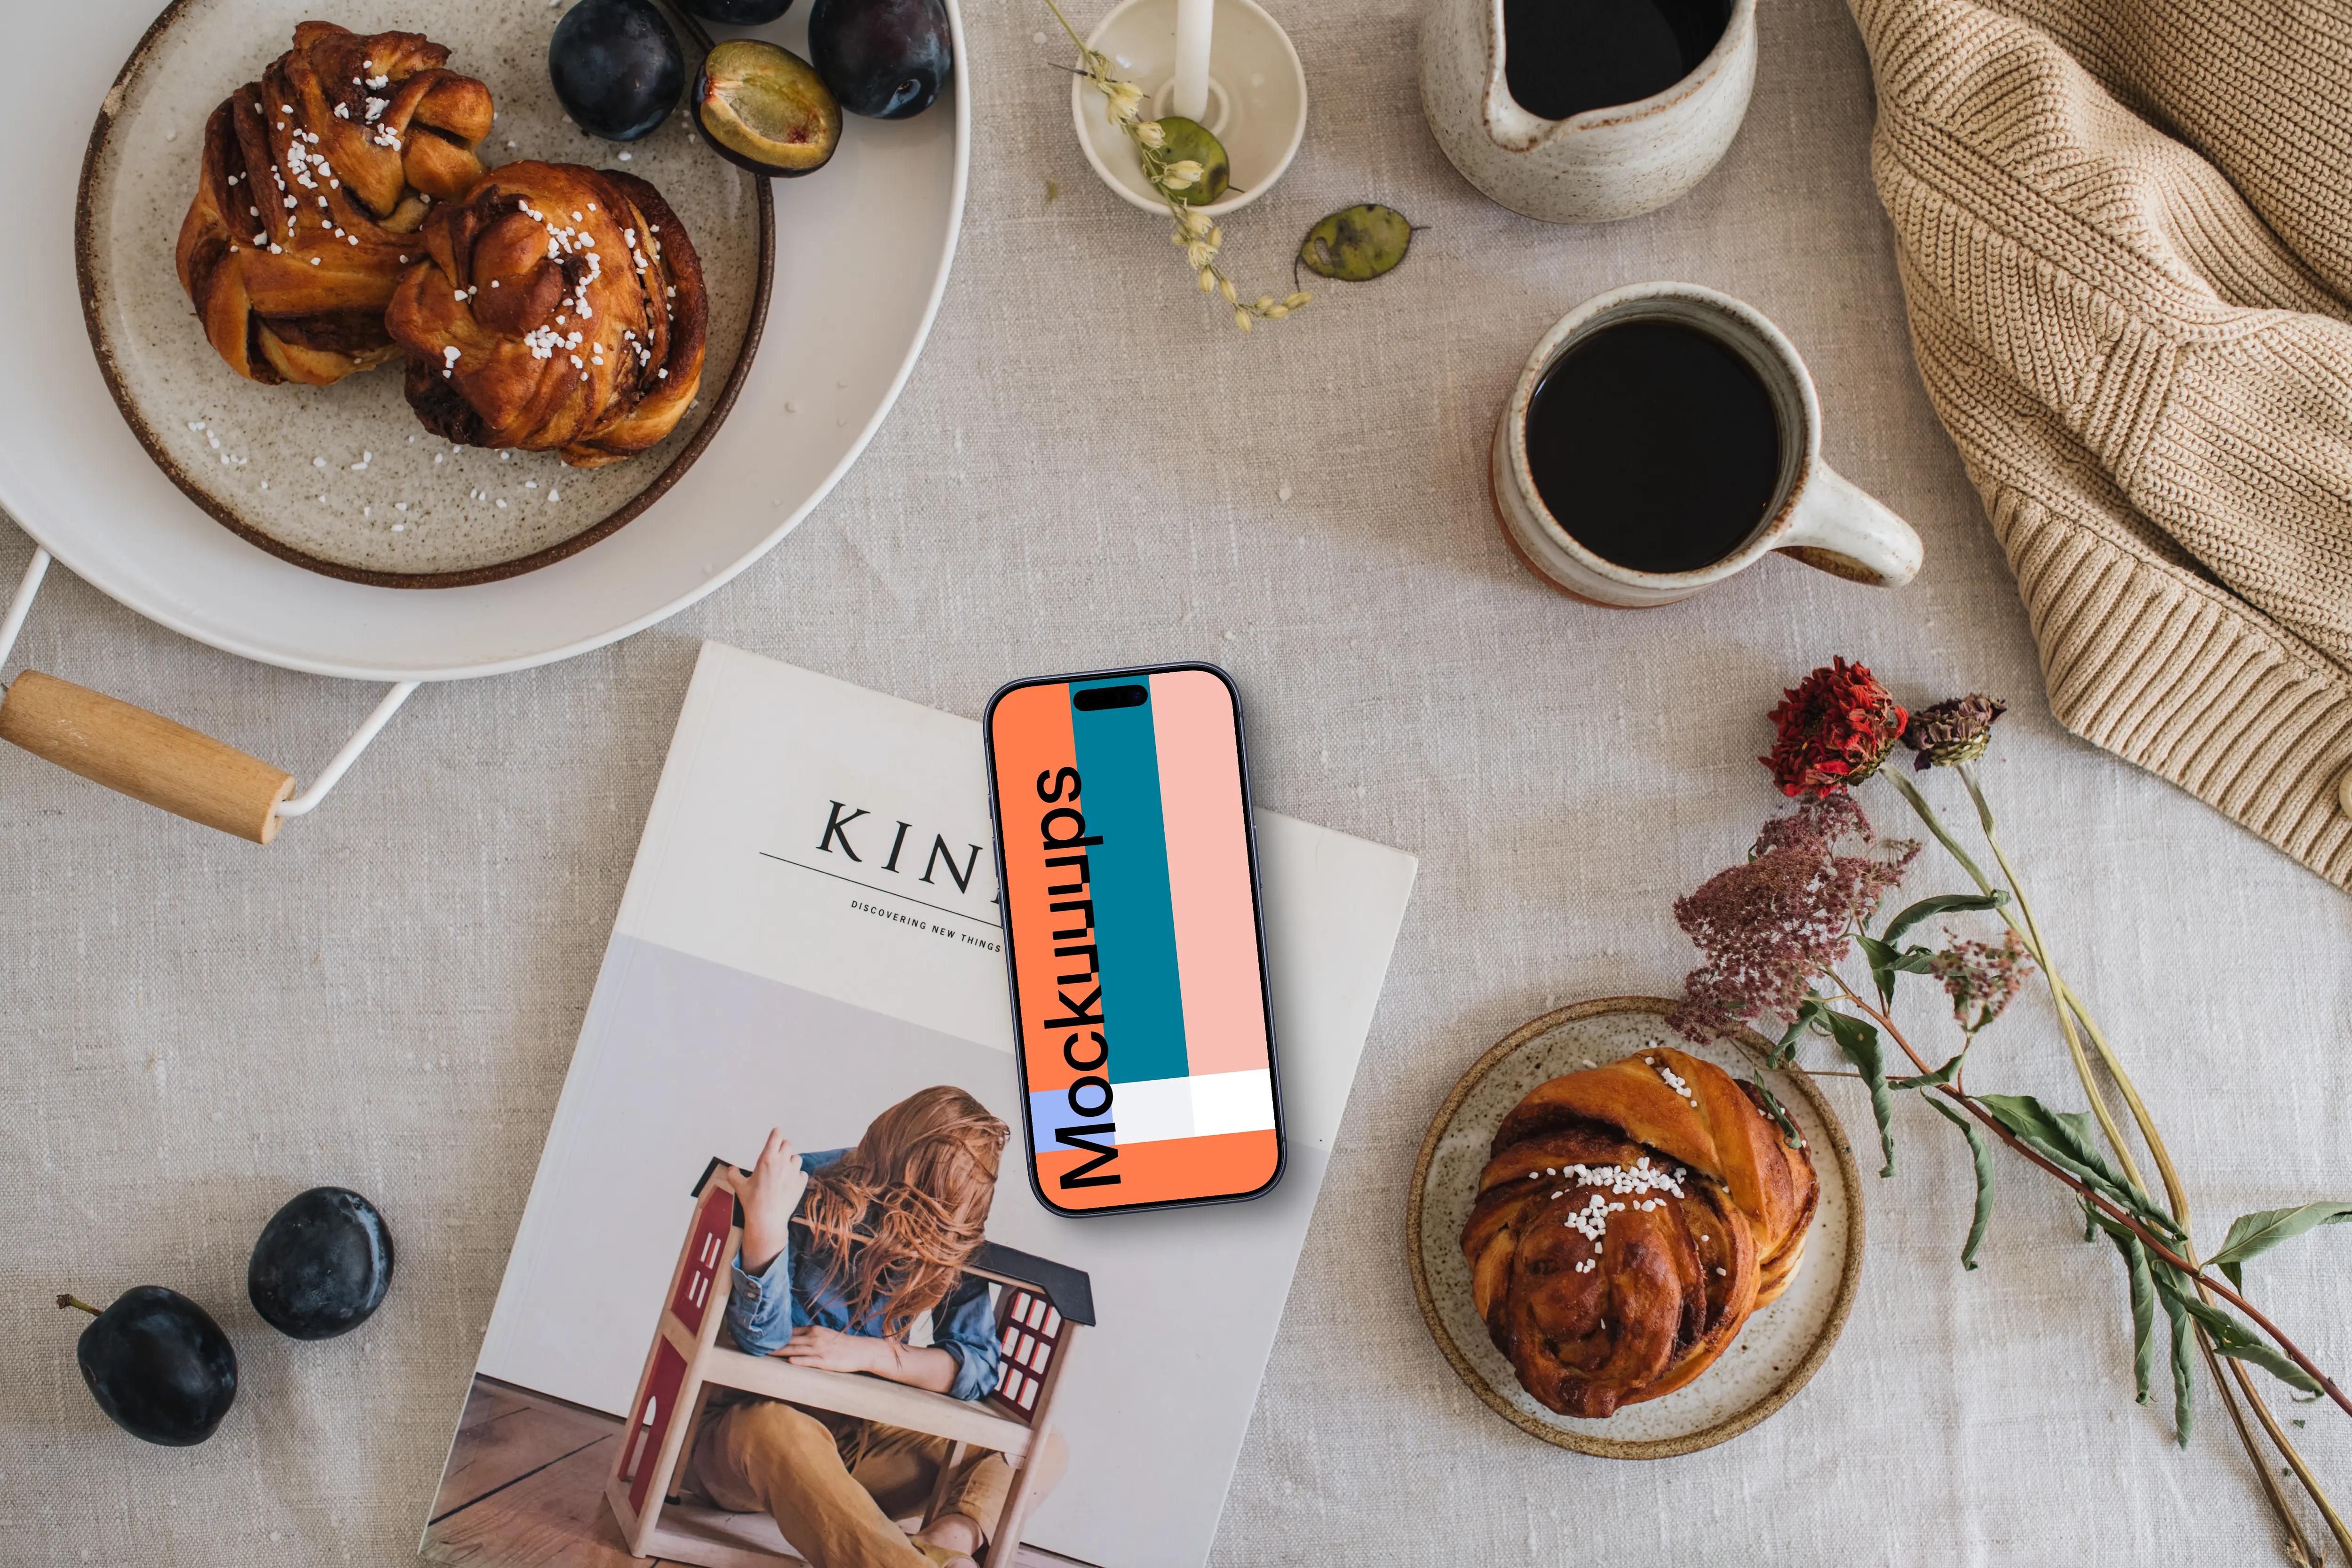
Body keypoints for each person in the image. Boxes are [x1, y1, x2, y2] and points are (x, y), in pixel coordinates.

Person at [686, 1086, 1067, 1568]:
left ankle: (944, 1548)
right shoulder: (805, 1184)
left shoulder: (954, 1226)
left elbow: (977, 1367)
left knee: (1044, 1448)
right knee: (775, 1427)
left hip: (862, 1447)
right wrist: (765, 1225)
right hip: (750, 1444)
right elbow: (760, 1341)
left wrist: (867, 1354)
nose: (922, 1234)